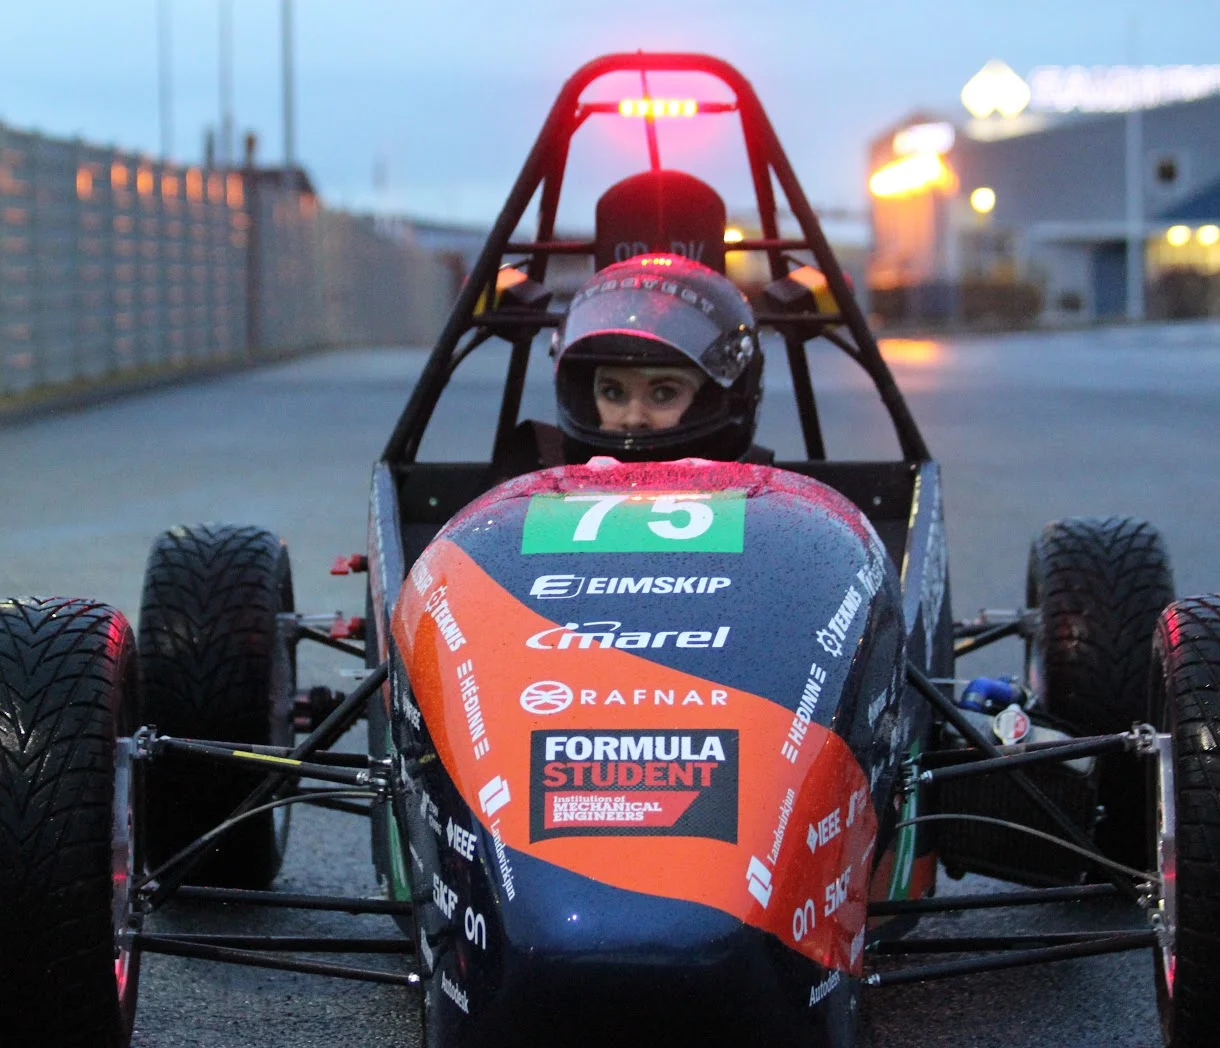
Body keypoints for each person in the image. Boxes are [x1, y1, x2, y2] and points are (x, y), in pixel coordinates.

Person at [550, 254, 767, 464]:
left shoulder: (768, 498)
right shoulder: (529, 493)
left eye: (664, 394)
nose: (634, 420)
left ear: (715, 400)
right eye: (612, 393)